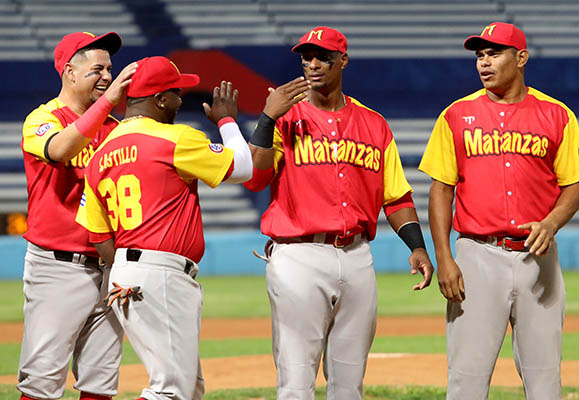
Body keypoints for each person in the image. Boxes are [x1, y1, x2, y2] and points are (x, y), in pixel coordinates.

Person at [244, 26, 434, 399]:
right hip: (299, 255)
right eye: (306, 58)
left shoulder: (373, 123)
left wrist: (417, 246)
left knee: (349, 382)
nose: (313, 65)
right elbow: (255, 177)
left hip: (358, 256)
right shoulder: (286, 117)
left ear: (342, 60)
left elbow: (395, 197)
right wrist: (267, 119)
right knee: (297, 378)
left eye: (323, 58)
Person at [419, 22, 579, 400]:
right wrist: (444, 258)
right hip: (477, 256)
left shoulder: (558, 115)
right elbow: (440, 189)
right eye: (480, 55)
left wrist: (552, 222)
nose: (484, 62)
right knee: (466, 379)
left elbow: (573, 186)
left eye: (494, 53)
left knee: (545, 380)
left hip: (537, 256)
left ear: (521, 58)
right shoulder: (455, 115)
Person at [75, 56, 252, 400]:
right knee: (170, 390)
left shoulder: (99, 154)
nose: (180, 99)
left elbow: (98, 235)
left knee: (187, 387)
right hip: (161, 273)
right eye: (174, 92)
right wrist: (227, 120)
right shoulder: (174, 138)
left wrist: (127, 271)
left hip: (125, 271)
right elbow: (243, 167)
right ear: (157, 100)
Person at [19, 31, 137, 400]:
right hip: (57, 266)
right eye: (98, 69)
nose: (107, 77)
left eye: (110, 69)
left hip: (109, 268)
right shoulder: (42, 119)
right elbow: (58, 150)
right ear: (70, 71)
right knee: (41, 381)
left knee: (100, 382)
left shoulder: (117, 130)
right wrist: (108, 105)